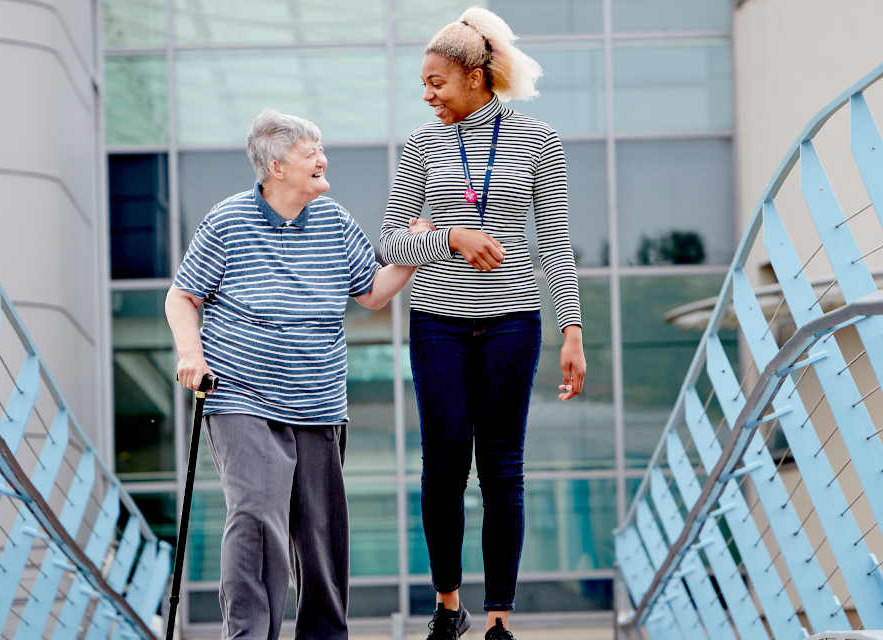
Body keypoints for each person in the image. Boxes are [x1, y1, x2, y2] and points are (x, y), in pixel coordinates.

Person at [165, 108, 425, 640]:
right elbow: (182, 296)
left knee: (320, 533)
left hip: (318, 399)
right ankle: (250, 634)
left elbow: (372, 292)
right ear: (276, 166)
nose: (323, 160)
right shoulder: (228, 220)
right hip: (239, 392)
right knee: (258, 514)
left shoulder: (333, 220)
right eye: (311, 153)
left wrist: (418, 248)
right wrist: (191, 354)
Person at [379, 7, 587, 640]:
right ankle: (449, 607)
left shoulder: (536, 139)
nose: (427, 94)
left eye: (437, 81)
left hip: (512, 325)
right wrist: (451, 238)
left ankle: (498, 618)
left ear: (476, 75)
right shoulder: (418, 146)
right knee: (443, 467)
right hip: (438, 325)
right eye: (424, 83)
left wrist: (571, 329)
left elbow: (552, 240)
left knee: (503, 469)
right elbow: (391, 243)